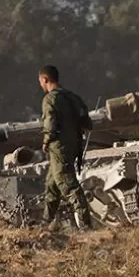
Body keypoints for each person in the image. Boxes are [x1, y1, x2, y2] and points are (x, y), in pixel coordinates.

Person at [38, 65, 94, 229]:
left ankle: (85, 225)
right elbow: (87, 123)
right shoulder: (73, 97)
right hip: (74, 145)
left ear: (45, 79)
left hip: (58, 148)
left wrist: (46, 141)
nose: (40, 85)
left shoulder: (50, 99)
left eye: (40, 81)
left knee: (68, 184)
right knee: (52, 184)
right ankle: (46, 222)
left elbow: (50, 124)